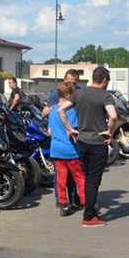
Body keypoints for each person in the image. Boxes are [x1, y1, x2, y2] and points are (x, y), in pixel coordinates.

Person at [58, 66, 117, 227]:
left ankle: (89, 210)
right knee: (93, 180)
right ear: (104, 80)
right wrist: (110, 132)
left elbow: (60, 110)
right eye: (108, 80)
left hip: (82, 141)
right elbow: (113, 116)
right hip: (98, 143)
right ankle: (89, 216)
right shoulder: (105, 95)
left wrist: (70, 129)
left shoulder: (79, 93)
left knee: (86, 177)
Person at [48, 82, 86, 217]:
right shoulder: (70, 111)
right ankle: (85, 202)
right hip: (71, 150)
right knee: (80, 177)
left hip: (56, 150)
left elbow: (49, 131)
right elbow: (72, 132)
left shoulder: (53, 110)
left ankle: (63, 205)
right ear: (69, 95)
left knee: (61, 179)